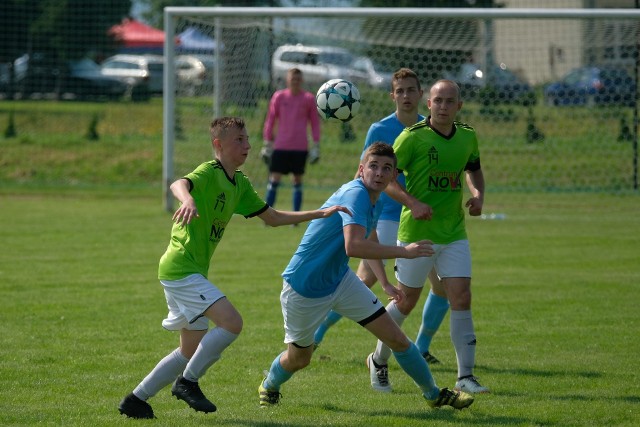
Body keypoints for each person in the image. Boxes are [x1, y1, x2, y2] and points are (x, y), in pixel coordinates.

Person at [118, 117, 348, 419]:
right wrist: (187, 199)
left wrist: (320, 213)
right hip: (180, 269)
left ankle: (136, 399)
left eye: (248, 139)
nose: (247, 145)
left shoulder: (239, 184)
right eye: (239, 139)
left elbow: (273, 217)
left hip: (188, 272)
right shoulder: (209, 172)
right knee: (232, 323)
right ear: (219, 145)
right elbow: (178, 183)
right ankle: (187, 382)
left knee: (189, 351)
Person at [258, 142, 474, 411]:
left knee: (396, 338)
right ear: (361, 170)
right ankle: (270, 384)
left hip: (340, 280)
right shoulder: (355, 194)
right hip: (304, 287)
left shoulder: (377, 198)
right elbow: (354, 246)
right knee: (300, 358)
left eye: (387, 168)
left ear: (395, 176)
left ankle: (433, 395)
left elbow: (368, 236)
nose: (380, 173)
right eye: (373, 166)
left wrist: (384, 282)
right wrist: (404, 252)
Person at [313, 68, 448, 368]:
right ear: (392, 95)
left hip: (424, 218)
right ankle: (317, 331)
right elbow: (362, 173)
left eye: (411, 90)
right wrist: (357, 207)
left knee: (443, 286)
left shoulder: (430, 129)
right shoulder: (380, 128)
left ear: (421, 94)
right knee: (367, 279)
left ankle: (422, 346)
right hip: (387, 215)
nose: (406, 96)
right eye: (400, 91)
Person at [368, 79, 489, 395]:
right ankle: (378, 359)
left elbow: (473, 168)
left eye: (450, 101)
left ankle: (465, 376)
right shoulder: (411, 138)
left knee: (461, 297)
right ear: (429, 104)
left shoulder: (467, 136)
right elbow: (387, 180)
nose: (444, 107)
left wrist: (478, 194)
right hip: (416, 235)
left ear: (459, 106)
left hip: (454, 233)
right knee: (406, 302)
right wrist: (413, 202)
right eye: (439, 101)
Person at [261, 67, 321, 212]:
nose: (295, 82)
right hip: (281, 146)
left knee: (297, 181)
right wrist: (267, 142)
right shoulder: (279, 97)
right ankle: (267, 215)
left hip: (300, 147)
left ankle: (295, 218)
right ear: (288, 80)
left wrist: (316, 144)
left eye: (298, 79)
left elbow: (314, 123)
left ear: (302, 81)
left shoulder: (308, 99)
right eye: (293, 79)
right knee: (274, 179)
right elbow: (270, 119)